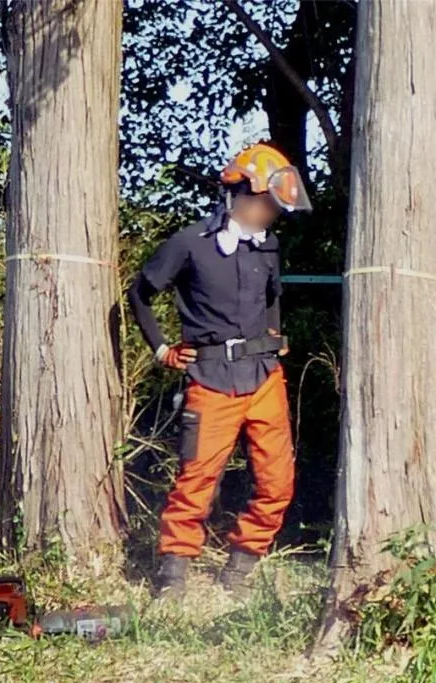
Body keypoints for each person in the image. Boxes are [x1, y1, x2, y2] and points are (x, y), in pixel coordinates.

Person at [127, 143, 311, 599]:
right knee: (197, 480)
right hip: (210, 380)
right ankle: (173, 576)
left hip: (265, 377)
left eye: (275, 208)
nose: (269, 215)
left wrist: (273, 334)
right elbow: (140, 294)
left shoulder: (268, 246)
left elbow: (273, 295)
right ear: (239, 193)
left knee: (278, 480)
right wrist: (162, 349)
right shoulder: (189, 243)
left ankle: (242, 566)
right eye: (266, 204)